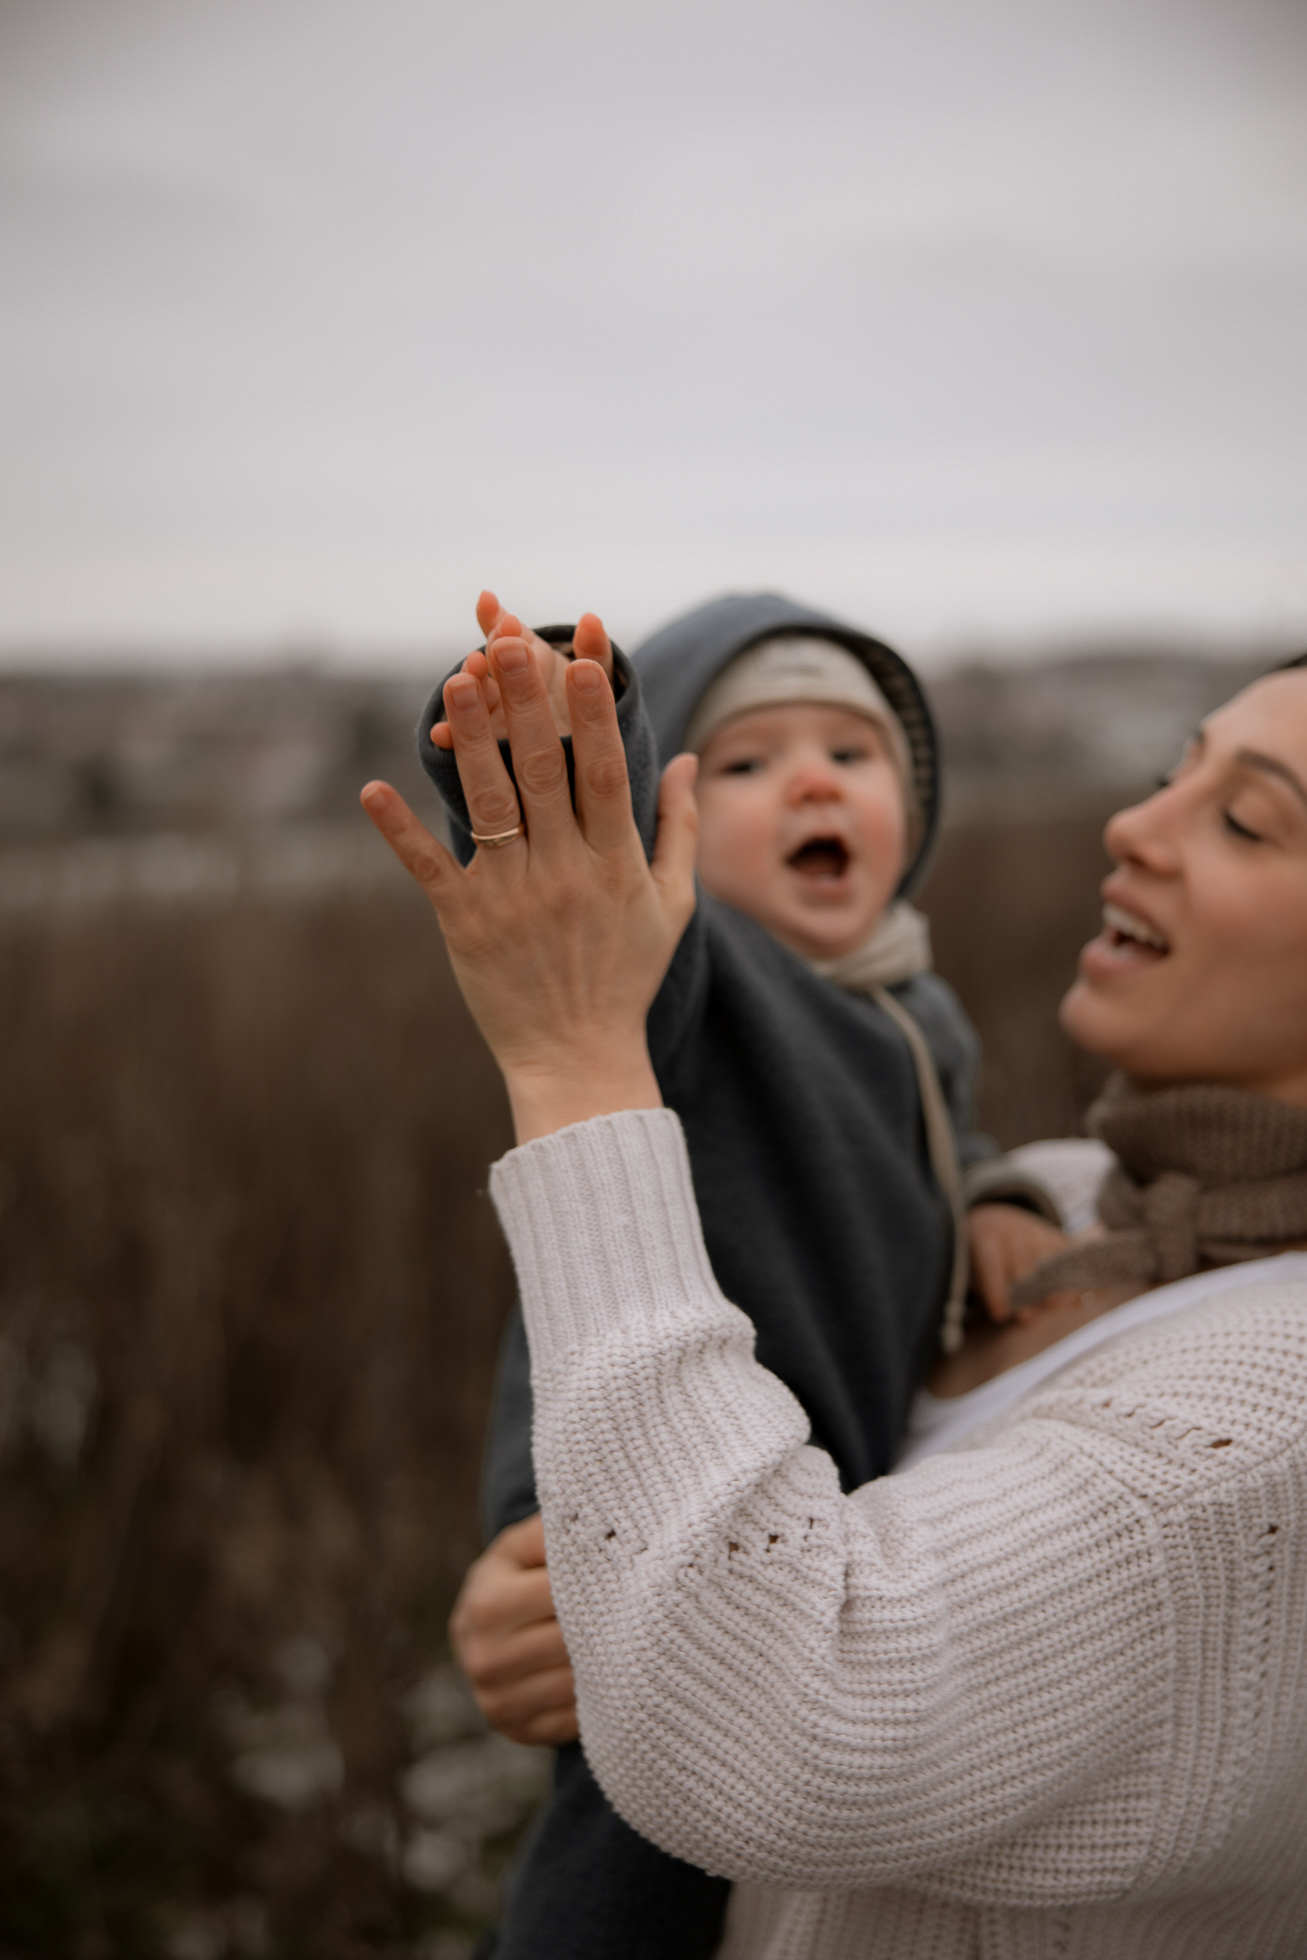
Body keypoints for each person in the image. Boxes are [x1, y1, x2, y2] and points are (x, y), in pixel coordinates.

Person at [363, 641, 1307, 1958]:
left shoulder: (1268, 1435)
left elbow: (762, 1712)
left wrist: (575, 1056)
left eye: (1250, 820)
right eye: (1170, 774)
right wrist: (566, 1580)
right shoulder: (1073, 1194)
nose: (1132, 824)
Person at [417, 593, 1062, 1956]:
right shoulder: (700, 980)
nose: (814, 778)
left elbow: (945, 1136)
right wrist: (566, 722)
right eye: (751, 763)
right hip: (631, 1493)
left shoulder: (913, 1009)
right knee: (637, 1840)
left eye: (855, 750)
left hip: (805, 1523)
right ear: (672, 821)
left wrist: (994, 1193)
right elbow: (607, 934)